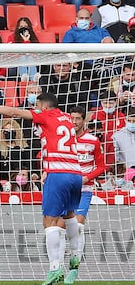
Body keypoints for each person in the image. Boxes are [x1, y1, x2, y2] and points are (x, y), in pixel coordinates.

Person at [0, 92, 82, 285]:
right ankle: (75, 257)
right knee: (69, 215)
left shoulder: (45, 115)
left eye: (37, 104)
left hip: (57, 173)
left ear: (43, 106)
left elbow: (14, 111)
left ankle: (55, 269)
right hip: (76, 173)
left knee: (49, 221)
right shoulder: (67, 117)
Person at [56, 105, 106, 284]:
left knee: (77, 226)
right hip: (66, 190)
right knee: (59, 229)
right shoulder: (63, 140)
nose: (74, 122)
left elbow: (101, 166)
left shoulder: (93, 141)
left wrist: (86, 178)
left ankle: (74, 269)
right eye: (72, 118)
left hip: (84, 190)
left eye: (78, 119)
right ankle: (58, 268)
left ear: (84, 120)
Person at [91, 90, 126, 167]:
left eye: (110, 103)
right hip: (102, 151)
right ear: (101, 103)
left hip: (117, 152)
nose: (108, 106)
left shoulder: (121, 117)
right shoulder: (96, 116)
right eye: (105, 103)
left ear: (116, 102)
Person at [113, 109, 135, 183]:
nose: (132, 123)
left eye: (134, 121)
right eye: (129, 121)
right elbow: (115, 158)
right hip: (127, 174)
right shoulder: (117, 136)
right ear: (125, 120)